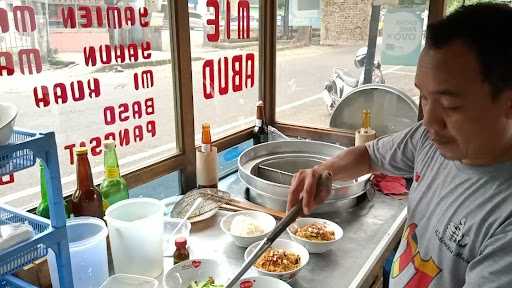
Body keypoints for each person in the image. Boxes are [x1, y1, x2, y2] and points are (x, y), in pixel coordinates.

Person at [287, 3, 512, 287]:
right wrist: (323, 172)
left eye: (449, 105)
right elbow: (368, 155)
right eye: (425, 98)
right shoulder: (428, 140)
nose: (429, 120)